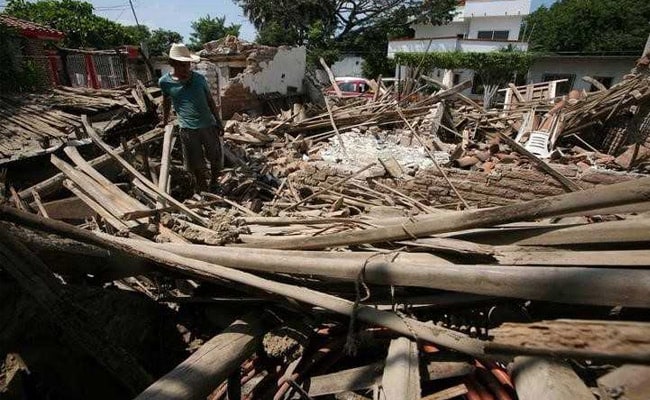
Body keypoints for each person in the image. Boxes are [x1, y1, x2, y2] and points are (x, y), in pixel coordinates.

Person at [158, 43, 224, 193]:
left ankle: (214, 183)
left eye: (188, 65)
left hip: (208, 125)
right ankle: (203, 190)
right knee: (196, 164)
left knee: (215, 158)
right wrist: (164, 121)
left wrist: (218, 122)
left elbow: (210, 101)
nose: (186, 69)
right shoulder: (165, 82)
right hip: (188, 129)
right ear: (172, 64)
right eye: (182, 65)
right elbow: (166, 101)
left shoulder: (199, 79)